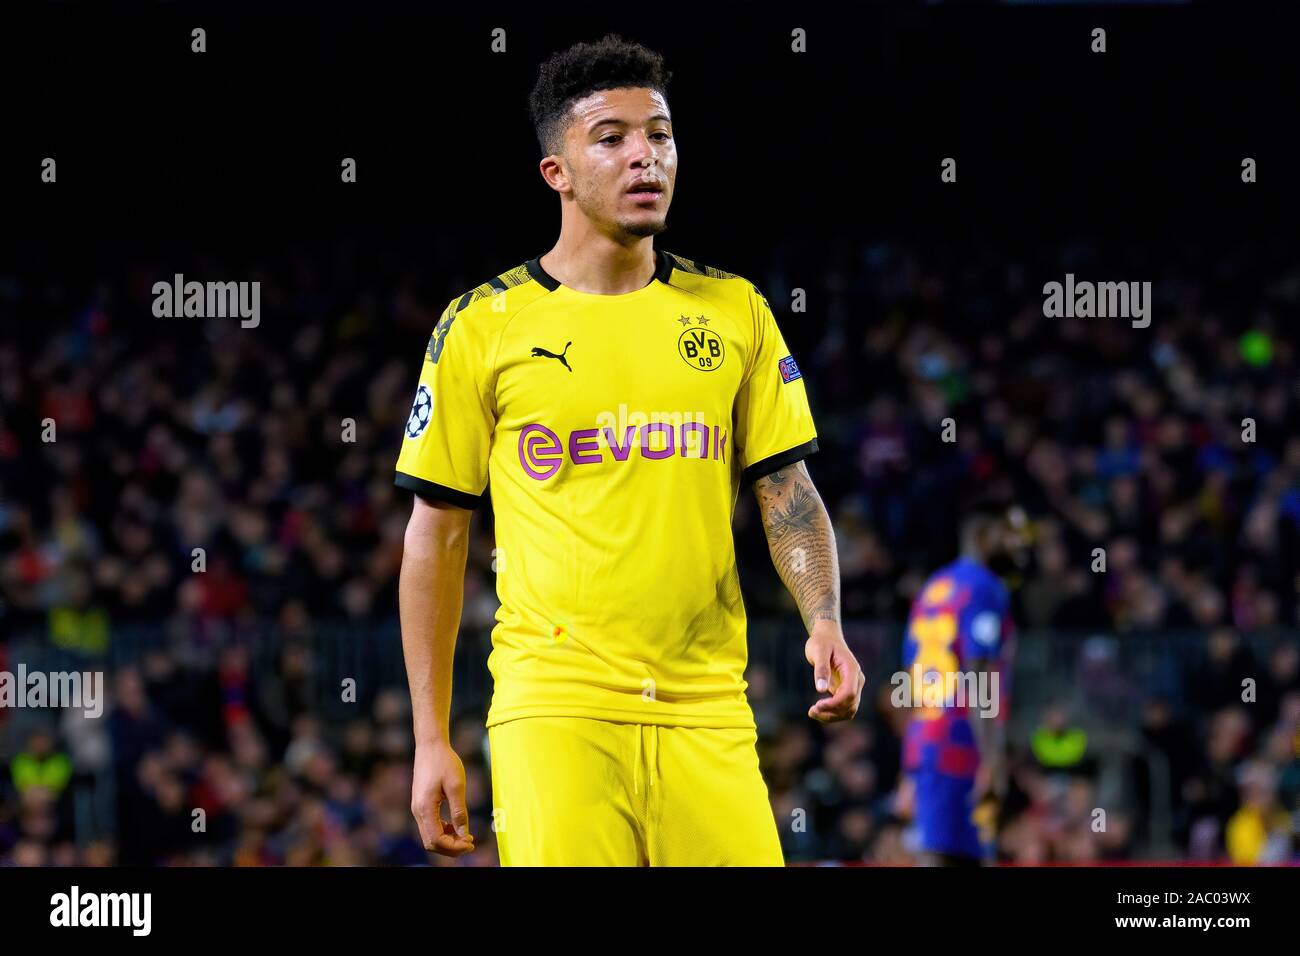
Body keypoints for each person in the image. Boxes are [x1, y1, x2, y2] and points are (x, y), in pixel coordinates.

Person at [394, 34, 863, 866]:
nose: (645, 156)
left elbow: (785, 487)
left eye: (660, 134)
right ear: (558, 173)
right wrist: (431, 738)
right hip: (556, 708)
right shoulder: (483, 326)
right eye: (610, 138)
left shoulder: (735, 310)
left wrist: (823, 619)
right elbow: (437, 532)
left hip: (710, 708)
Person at [900, 503, 1024, 865]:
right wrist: (992, 759)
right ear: (985, 537)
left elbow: (909, 677)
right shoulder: (984, 587)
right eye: (1010, 534)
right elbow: (979, 673)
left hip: (925, 743)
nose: (1018, 544)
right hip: (962, 743)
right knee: (958, 859)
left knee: (943, 854)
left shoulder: (934, 587)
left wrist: (908, 764)